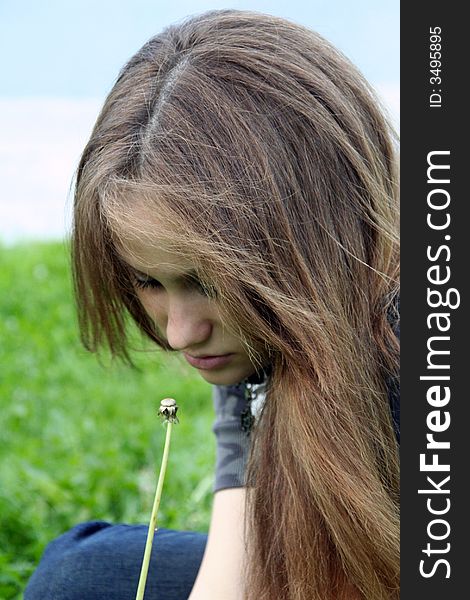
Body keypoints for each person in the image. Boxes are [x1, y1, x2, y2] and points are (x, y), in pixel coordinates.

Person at [25, 9, 400, 600]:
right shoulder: (260, 335)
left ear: (310, 239)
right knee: (84, 574)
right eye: (148, 281)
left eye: (206, 282)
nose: (179, 333)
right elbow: (234, 565)